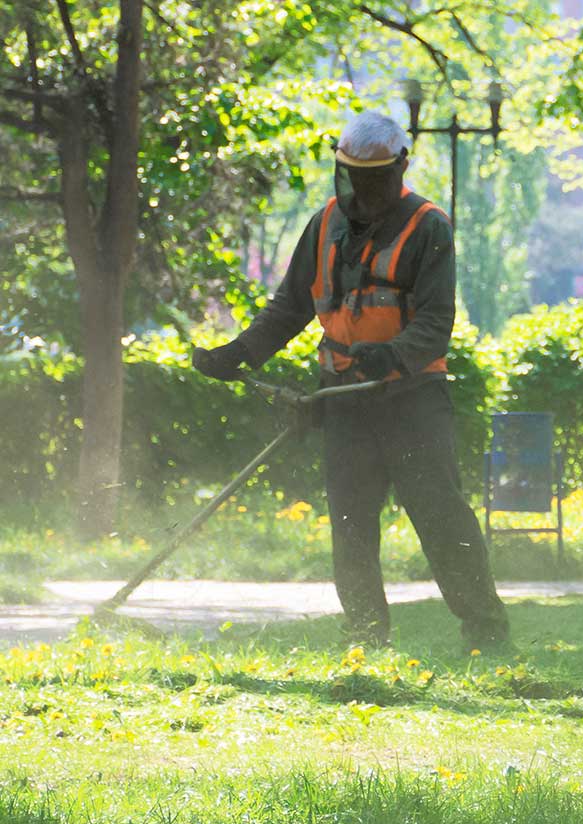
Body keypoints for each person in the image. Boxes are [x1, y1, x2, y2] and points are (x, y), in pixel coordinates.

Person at [193, 110, 510, 651]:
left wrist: (389, 356)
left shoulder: (428, 226)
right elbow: (290, 306)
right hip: (344, 399)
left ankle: (485, 632)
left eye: (375, 179)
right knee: (350, 522)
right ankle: (365, 637)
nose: (363, 191)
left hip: (412, 402)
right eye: (354, 178)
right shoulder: (324, 224)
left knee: (440, 518)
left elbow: (435, 326)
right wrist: (241, 353)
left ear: (401, 167)